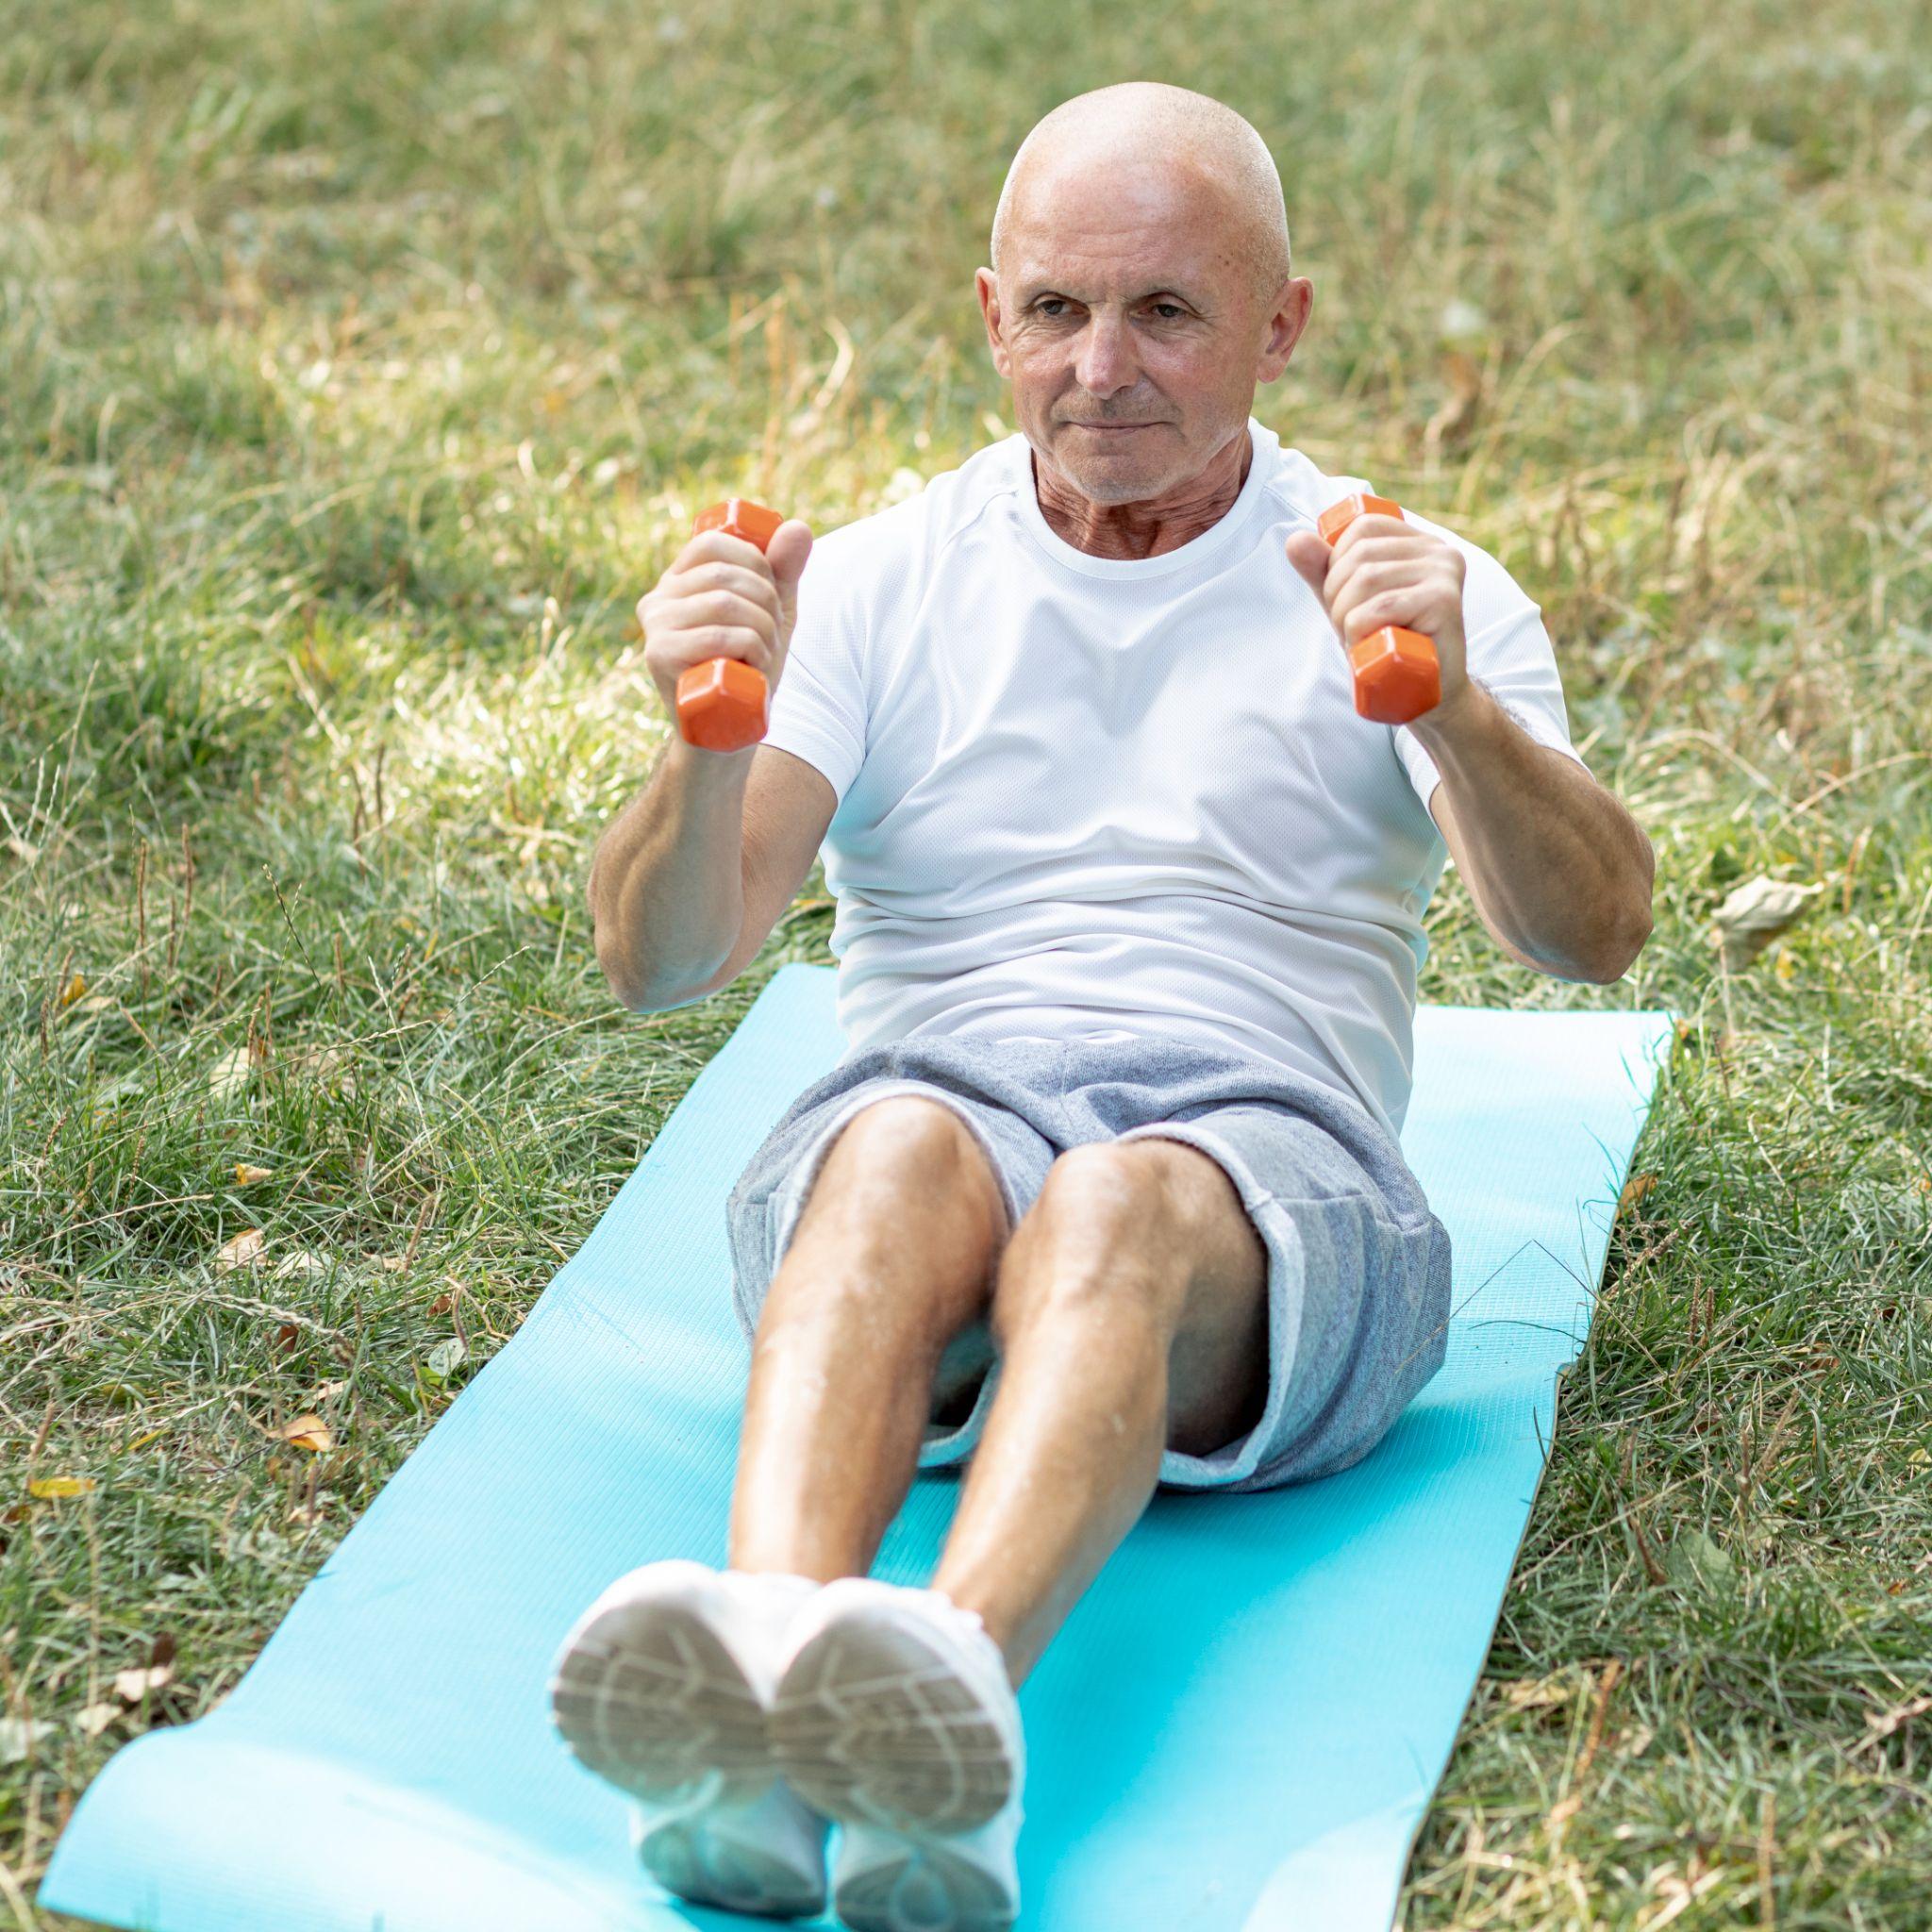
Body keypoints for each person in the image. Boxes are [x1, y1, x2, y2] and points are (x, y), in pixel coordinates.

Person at [553, 80, 1654, 1932]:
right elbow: (660, 960)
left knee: (1115, 1200)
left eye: (1167, 312)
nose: (1100, 370)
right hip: (933, 1122)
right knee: (898, 1140)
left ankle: (946, 1711)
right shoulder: (886, 579)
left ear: (1281, 324)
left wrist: (1454, 712)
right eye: (1056, 310)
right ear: (990, 313)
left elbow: (1592, 936)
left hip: (1259, 1171)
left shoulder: (1400, 585)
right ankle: (759, 1697)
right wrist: (703, 746)